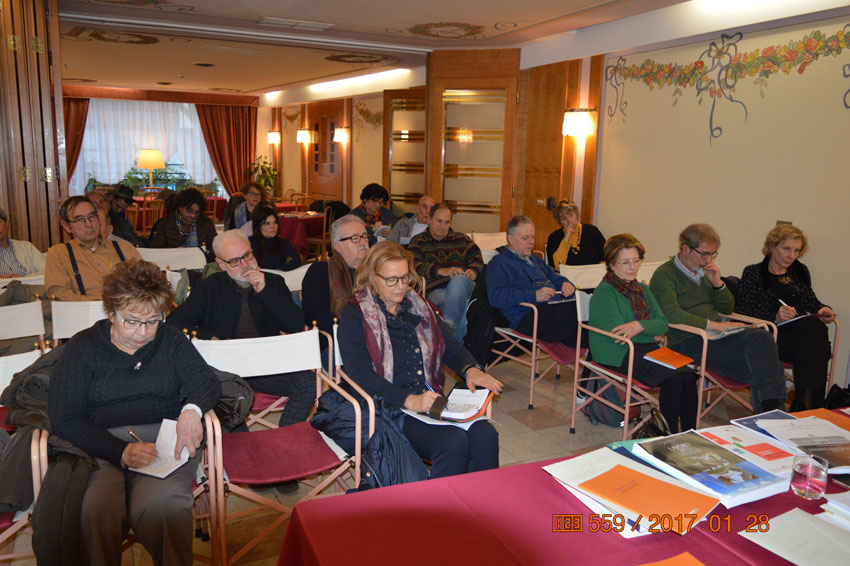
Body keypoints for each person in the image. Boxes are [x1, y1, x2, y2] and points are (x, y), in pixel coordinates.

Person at [48, 259, 221, 565]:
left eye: (152, 321)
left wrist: (191, 410)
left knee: (164, 506)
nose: (142, 332)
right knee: (95, 509)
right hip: (96, 447)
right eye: (131, 321)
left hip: (162, 445)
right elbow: (65, 417)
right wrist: (122, 452)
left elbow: (206, 381)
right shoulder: (83, 346)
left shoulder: (169, 339)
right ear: (111, 312)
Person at [337, 241, 501, 478]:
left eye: (405, 278)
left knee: (486, 435)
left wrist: (470, 369)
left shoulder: (419, 305)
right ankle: (441, 502)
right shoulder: (356, 314)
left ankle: (479, 498)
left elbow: (449, 346)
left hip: (427, 398)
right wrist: (410, 400)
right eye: (391, 280)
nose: (401, 286)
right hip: (387, 407)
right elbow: (360, 375)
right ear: (372, 277)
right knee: (453, 442)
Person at [167, 229, 314, 427]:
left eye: (248, 256)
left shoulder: (273, 283)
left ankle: (285, 438)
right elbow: (175, 323)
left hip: (266, 366)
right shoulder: (209, 287)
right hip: (224, 369)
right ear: (221, 264)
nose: (245, 265)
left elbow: (295, 325)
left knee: (309, 383)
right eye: (235, 261)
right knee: (225, 401)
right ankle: (236, 441)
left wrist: (265, 291)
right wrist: (208, 337)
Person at [650, 223, 786, 413]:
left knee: (762, 337)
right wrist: (713, 325)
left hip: (718, 333)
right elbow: (671, 313)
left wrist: (717, 283)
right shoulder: (664, 275)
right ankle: (774, 416)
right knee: (765, 368)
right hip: (688, 339)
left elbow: (727, 308)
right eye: (704, 254)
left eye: (713, 254)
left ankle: (772, 416)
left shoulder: (706, 272)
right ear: (686, 249)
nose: (708, 260)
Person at [589, 234, 698, 432]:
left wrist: (639, 326)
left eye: (636, 261)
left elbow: (663, 323)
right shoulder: (605, 292)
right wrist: (649, 329)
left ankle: (691, 433)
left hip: (644, 347)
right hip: (616, 352)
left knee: (688, 376)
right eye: (625, 262)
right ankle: (668, 436)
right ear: (611, 264)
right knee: (673, 378)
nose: (633, 267)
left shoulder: (642, 289)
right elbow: (620, 335)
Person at [736, 224, 836, 410]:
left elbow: (810, 301)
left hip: (802, 338)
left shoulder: (800, 271)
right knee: (816, 339)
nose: (791, 255)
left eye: (797, 250)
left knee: (814, 331)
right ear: (772, 246)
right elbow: (743, 311)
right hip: (770, 338)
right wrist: (775, 316)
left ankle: (804, 403)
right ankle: (809, 407)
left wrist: (823, 309)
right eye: (786, 249)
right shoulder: (754, 272)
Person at [487, 216, 581, 347]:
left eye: (532, 237)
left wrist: (566, 284)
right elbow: (497, 297)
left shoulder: (535, 260)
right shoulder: (499, 263)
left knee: (589, 315)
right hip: (528, 316)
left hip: (552, 309)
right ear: (510, 239)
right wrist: (534, 295)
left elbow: (555, 277)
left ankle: (595, 355)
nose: (531, 242)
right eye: (525, 238)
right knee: (582, 316)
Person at [409, 203, 483, 341]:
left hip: (465, 285)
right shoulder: (418, 241)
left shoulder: (462, 239)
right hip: (436, 290)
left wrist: (473, 270)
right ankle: (456, 346)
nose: (443, 226)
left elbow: (477, 258)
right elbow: (415, 265)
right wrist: (441, 271)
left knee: (458, 280)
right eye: (439, 221)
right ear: (429, 219)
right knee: (461, 305)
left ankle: (449, 327)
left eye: (447, 222)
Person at [45, 196, 141, 301]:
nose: (89, 224)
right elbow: (59, 293)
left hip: (127, 308)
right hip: (84, 309)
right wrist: (99, 304)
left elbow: (145, 283)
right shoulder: (59, 254)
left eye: (92, 217)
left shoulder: (125, 249)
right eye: (80, 220)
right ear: (67, 226)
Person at [302, 215, 369, 358]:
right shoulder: (321, 272)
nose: (363, 242)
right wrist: (359, 331)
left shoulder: (376, 272)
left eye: (364, 236)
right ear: (338, 246)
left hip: (374, 342)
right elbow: (316, 317)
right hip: (335, 345)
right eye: (355, 238)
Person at [149, 188, 216, 262]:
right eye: (190, 211)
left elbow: (215, 247)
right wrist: (173, 252)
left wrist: (204, 253)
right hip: (175, 264)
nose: (193, 215)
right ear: (180, 207)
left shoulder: (206, 223)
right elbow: (155, 251)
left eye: (196, 212)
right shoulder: (166, 225)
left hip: (201, 264)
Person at [545, 199, 605, 268]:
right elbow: (556, 265)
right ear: (560, 222)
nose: (569, 221)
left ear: (577, 215)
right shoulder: (554, 237)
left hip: (592, 273)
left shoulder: (592, 231)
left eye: (571, 215)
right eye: (564, 218)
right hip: (566, 274)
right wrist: (566, 238)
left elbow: (606, 255)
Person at [248, 204, 301, 271]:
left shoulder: (283, 242)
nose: (272, 227)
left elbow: (297, 262)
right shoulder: (250, 244)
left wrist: (280, 271)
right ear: (258, 226)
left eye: (275, 222)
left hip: (281, 276)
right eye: (267, 223)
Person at [0, 207, 45, 277]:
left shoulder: (27, 247)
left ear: (7, 224)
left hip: (28, 283)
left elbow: (47, 271)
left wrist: (23, 278)